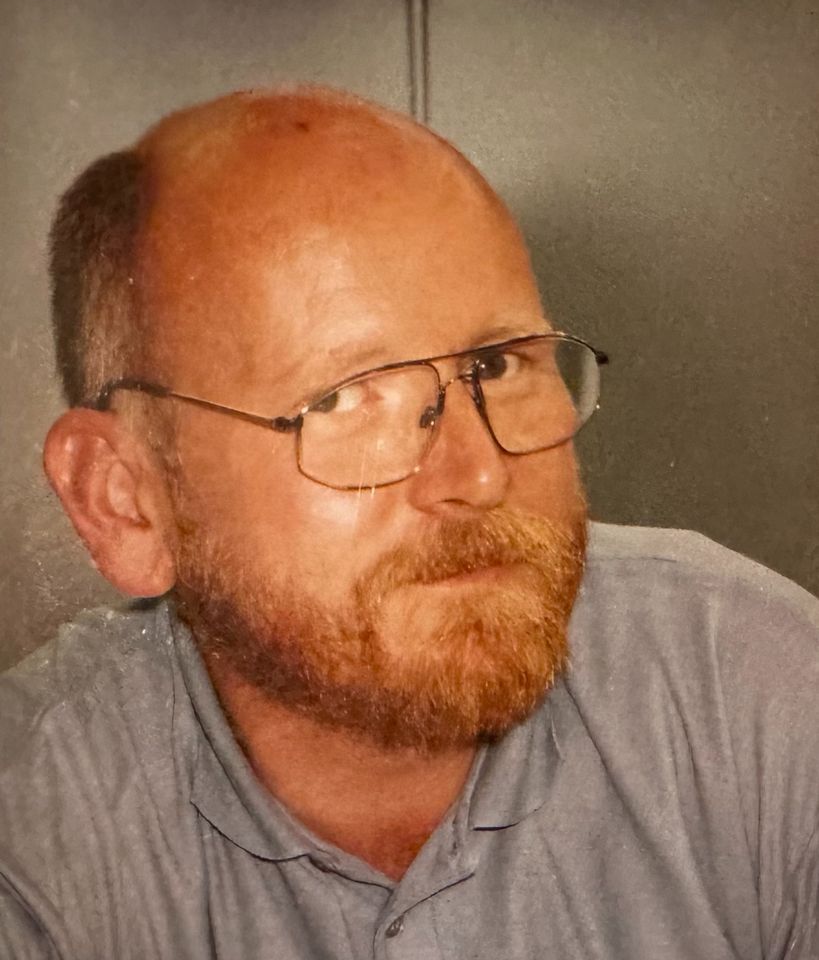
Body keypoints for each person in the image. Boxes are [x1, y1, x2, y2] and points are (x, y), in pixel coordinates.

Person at [0, 86, 817, 960]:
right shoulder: (33, 829)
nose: (479, 476)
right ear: (125, 500)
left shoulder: (749, 687)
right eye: (343, 398)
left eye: (498, 364)